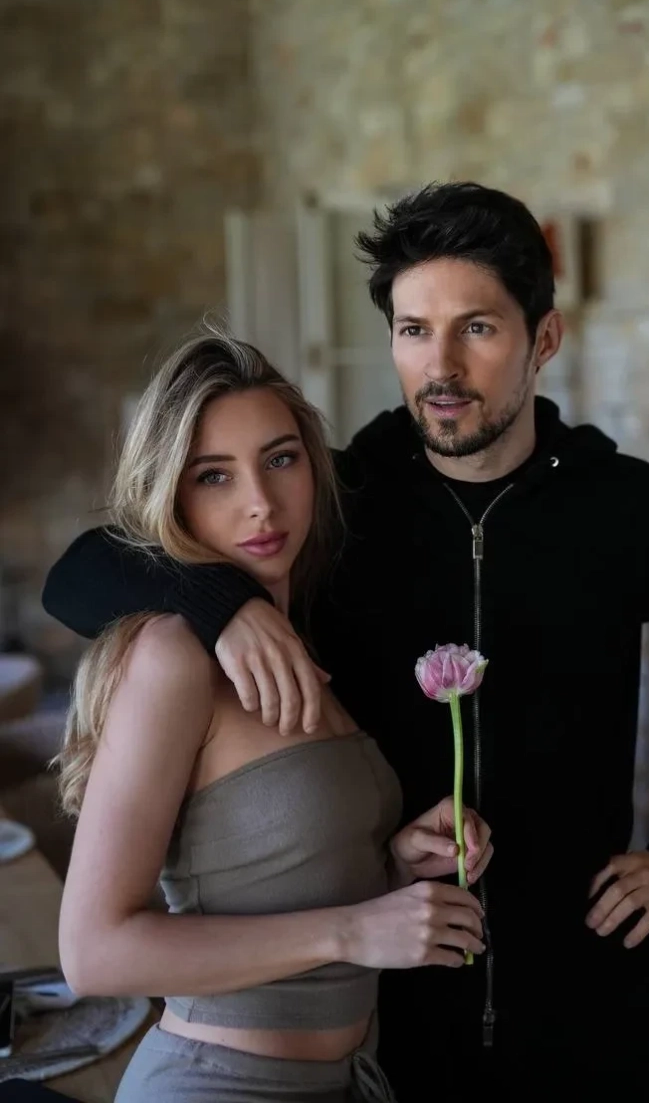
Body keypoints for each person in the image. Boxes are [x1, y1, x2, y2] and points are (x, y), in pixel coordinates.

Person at [44, 182, 649, 1101]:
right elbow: (82, 571)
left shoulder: (631, 510)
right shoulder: (338, 502)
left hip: (589, 998)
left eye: (476, 328)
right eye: (413, 330)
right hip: (398, 1008)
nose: (440, 366)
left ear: (544, 339)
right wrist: (221, 604)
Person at [52, 328, 493, 1103]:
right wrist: (355, 931)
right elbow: (93, 953)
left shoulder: (303, 645)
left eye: (281, 459)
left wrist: (397, 867)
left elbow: (277, 880)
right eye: (214, 476)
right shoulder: (173, 658)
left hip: (351, 1079)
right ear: (172, 494)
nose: (259, 501)